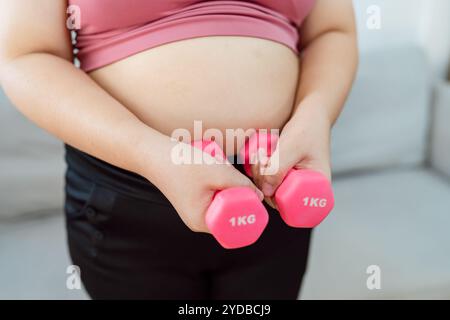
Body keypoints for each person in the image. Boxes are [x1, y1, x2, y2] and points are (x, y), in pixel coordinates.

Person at [0, 0, 358, 299]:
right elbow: (27, 54)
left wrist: (317, 116)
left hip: (280, 189)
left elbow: (332, 31)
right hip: (128, 200)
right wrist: (150, 154)